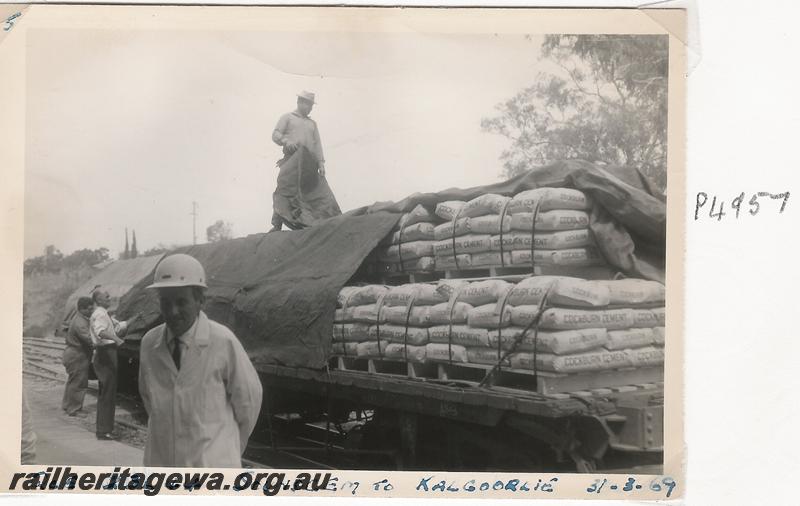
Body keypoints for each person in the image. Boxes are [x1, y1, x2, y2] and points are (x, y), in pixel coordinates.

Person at [138, 253, 263, 467]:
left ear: (200, 301)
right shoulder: (150, 344)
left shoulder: (222, 341)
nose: (172, 311)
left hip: (212, 468)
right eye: (165, 302)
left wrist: (227, 447)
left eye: (181, 302)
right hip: (163, 465)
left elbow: (249, 402)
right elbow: (150, 400)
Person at [269, 91, 341, 232]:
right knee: (284, 190)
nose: (310, 108)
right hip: (291, 161)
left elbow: (317, 144)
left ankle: (305, 224)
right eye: (308, 104)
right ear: (300, 102)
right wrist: (286, 141)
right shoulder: (287, 118)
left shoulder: (312, 124)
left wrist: (321, 163)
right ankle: (276, 224)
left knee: (311, 194)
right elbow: (275, 134)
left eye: (311, 106)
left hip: (308, 164)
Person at [89, 289, 137, 440]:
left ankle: (105, 429)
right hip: (105, 353)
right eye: (106, 297)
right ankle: (103, 431)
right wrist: (117, 340)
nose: (109, 298)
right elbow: (101, 332)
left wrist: (134, 318)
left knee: (108, 393)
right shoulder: (101, 314)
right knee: (107, 394)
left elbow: (117, 327)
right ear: (98, 300)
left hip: (107, 352)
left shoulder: (103, 313)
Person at [61, 296, 94, 416]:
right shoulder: (80, 323)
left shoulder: (80, 318)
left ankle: (67, 405)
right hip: (78, 355)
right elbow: (90, 340)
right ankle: (74, 409)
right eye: (89, 309)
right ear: (81, 309)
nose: (92, 311)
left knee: (72, 381)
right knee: (79, 383)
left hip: (74, 354)